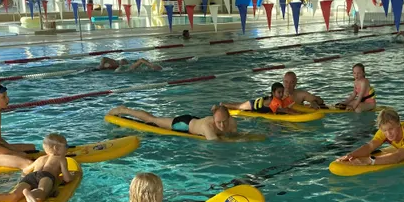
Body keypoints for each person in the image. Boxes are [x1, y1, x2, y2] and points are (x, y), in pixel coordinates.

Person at [107, 105, 238, 140]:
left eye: (224, 122)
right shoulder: (207, 126)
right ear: (213, 119)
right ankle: (124, 110)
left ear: (229, 118)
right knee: (152, 120)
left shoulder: (232, 122)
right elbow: (216, 144)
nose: (222, 125)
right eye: (218, 122)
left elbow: (233, 134)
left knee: (153, 119)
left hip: (194, 120)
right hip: (184, 124)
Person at [222, 82, 301, 115]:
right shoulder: (272, 101)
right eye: (279, 92)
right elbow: (285, 110)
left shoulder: (277, 99)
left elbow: (285, 107)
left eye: (282, 92)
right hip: (252, 105)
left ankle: (224, 104)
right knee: (237, 106)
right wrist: (299, 114)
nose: (281, 94)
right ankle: (222, 105)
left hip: (257, 104)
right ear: (273, 93)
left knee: (238, 104)